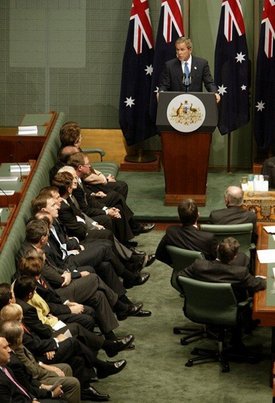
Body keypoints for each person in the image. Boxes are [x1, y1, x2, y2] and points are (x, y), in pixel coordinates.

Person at [177, 237, 266, 349]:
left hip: (200, 306)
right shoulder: (239, 272)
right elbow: (259, 285)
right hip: (229, 312)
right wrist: (262, 278)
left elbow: (179, 277)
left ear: (217, 249)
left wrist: (191, 292)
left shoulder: (199, 265)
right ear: (234, 257)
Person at [0, 312, 79, 403]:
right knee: (73, 383)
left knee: (67, 367)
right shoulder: (13, 362)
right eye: (5, 347)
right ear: (17, 338)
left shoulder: (18, 347)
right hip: (36, 381)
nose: (9, 349)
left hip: (34, 380)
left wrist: (44, 364)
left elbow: (32, 361)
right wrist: (45, 389)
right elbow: (29, 379)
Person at [156, 199, 218, 265]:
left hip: (180, 272)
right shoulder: (208, 238)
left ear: (179, 218)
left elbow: (159, 255)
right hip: (201, 274)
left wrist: (177, 264)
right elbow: (215, 262)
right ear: (198, 215)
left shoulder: (171, 233)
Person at [158, 36, 220, 102]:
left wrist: (215, 93)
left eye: (182, 49)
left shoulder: (201, 64)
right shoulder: (169, 65)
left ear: (190, 50)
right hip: (176, 102)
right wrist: (161, 92)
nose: (179, 53)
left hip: (196, 102)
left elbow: (209, 83)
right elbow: (164, 85)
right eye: (177, 50)